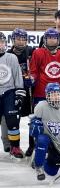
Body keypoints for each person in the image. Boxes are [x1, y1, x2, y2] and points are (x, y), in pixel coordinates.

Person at [29, 82, 60, 181]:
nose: (55, 97)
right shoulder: (41, 106)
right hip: (46, 138)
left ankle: (42, 159)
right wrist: (34, 127)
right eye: (52, 94)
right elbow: (34, 126)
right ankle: (38, 165)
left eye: (57, 94)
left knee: (52, 172)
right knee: (42, 139)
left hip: (58, 143)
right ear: (47, 96)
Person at [1, 28, 35, 157]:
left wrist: (33, 79)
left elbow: (37, 67)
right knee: (9, 118)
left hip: (29, 90)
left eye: (24, 39)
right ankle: (9, 144)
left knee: (33, 117)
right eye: (18, 39)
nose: (21, 42)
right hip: (12, 91)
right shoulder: (8, 54)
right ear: (13, 40)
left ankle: (32, 145)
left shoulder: (31, 51)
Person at [0, 32, 26, 159]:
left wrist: (19, 94)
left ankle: (15, 147)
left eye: (2, 42)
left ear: (5, 43)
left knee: (12, 121)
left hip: (9, 92)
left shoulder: (11, 57)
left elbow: (17, 76)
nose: (0, 44)